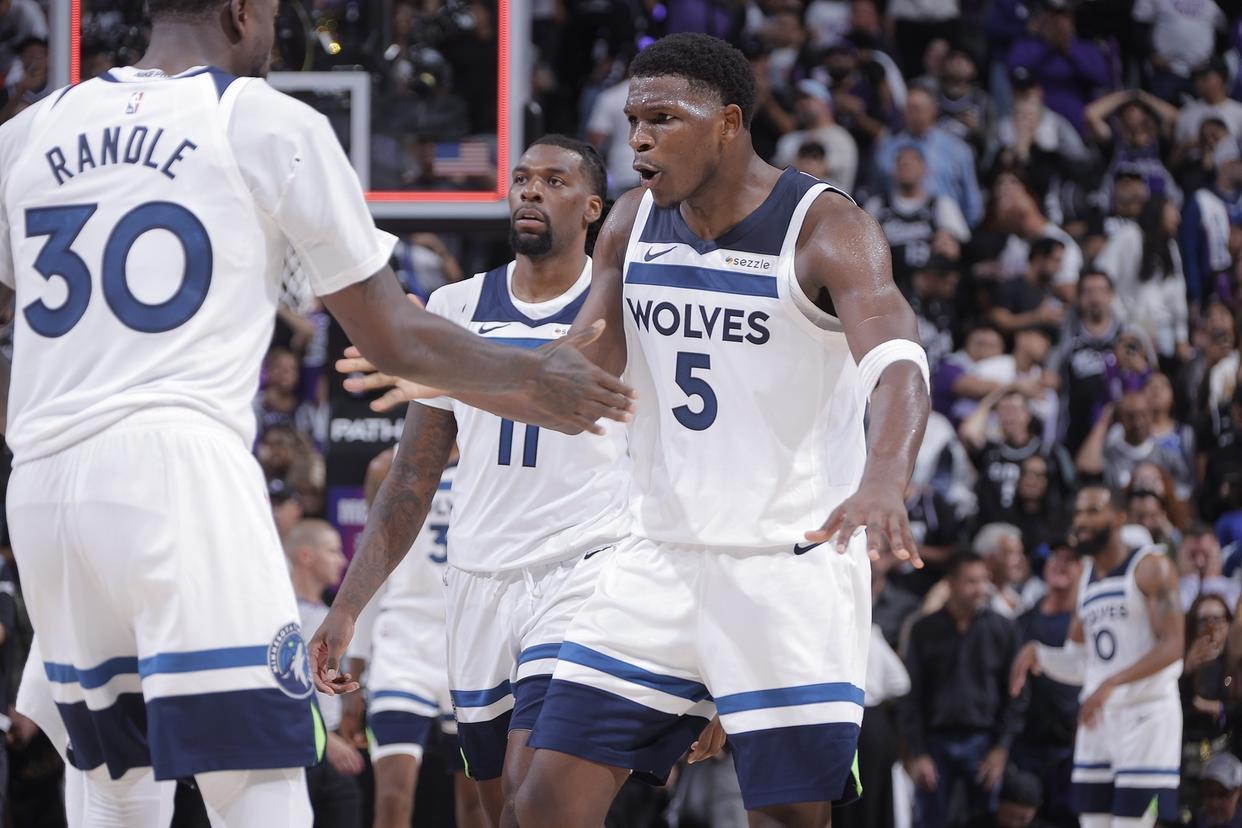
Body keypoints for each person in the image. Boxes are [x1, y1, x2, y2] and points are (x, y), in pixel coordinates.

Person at [0, 0, 633, 823]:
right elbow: (395, 334)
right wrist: (533, 372)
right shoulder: (265, 121)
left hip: (41, 484)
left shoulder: (28, 130)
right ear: (241, 12)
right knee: (259, 779)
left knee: (112, 783)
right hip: (176, 468)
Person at [511, 32, 931, 828]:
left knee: (788, 819)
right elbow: (575, 366)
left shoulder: (825, 227)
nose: (639, 140)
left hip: (786, 566)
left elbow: (900, 364)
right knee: (542, 804)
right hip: (658, 557)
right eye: (634, 122)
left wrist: (883, 478)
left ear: (729, 124)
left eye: (663, 119)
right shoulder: (631, 222)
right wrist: (453, 373)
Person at [310, 136, 631, 827]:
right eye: (522, 178)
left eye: (555, 181)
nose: (531, 190)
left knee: (537, 792)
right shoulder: (454, 306)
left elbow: (564, 400)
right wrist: (349, 605)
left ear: (593, 209)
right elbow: (410, 480)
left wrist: (438, 375)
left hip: (585, 572)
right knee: (497, 806)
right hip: (478, 581)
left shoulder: (619, 309)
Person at [1011, 484, 1185, 827]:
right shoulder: (1086, 581)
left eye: (1093, 511)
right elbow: (1083, 664)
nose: (1081, 520)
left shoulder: (1152, 567)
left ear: (1119, 518)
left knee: (1133, 824)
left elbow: (1173, 645)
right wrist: (1039, 655)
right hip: (1099, 720)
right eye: (1078, 512)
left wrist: (1111, 683)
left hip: (1146, 715)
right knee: (1091, 822)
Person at [350, 450, 483, 828]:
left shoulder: (489, 450)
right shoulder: (384, 466)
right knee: (392, 799)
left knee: (477, 803)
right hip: (403, 641)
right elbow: (375, 559)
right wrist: (355, 672)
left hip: (468, 641)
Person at [899, 552, 1024, 828]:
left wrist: (1001, 749)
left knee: (984, 822)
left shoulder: (1004, 629)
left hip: (984, 742)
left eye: (983, 580)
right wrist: (918, 753)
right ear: (951, 583)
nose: (980, 589)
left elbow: (1016, 694)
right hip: (935, 743)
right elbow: (911, 696)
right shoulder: (923, 630)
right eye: (971, 581)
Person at [284, 520, 363, 827]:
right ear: (306, 555)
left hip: (334, 746)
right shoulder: (285, 615)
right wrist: (326, 740)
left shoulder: (332, 617)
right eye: (332, 551)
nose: (342, 560)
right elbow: (281, 688)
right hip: (302, 749)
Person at [1012, 544, 1082, 828]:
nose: (1060, 564)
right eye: (1055, 558)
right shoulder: (1023, 621)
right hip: (1026, 745)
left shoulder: (1086, 623)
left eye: (1070, 560)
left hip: (1072, 746)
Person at [864, 144, 970, 294]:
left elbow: (960, 252)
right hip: (886, 287)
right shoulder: (877, 206)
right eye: (902, 164)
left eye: (912, 163)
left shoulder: (941, 205)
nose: (907, 168)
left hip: (930, 288)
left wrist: (947, 245)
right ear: (893, 171)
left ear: (924, 169)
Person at [874, 85, 983, 227]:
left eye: (917, 108)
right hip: (898, 227)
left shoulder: (957, 149)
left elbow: (972, 200)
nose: (911, 114)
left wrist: (961, 233)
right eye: (908, 109)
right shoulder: (888, 148)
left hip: (946, 229)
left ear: (933, 110)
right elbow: (878, 190)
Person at [1192, 753, 1242, 828]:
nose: (1214, 803)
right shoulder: (1194, 822)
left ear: (1239, 793)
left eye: (1223, 794)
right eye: (1209, 794)